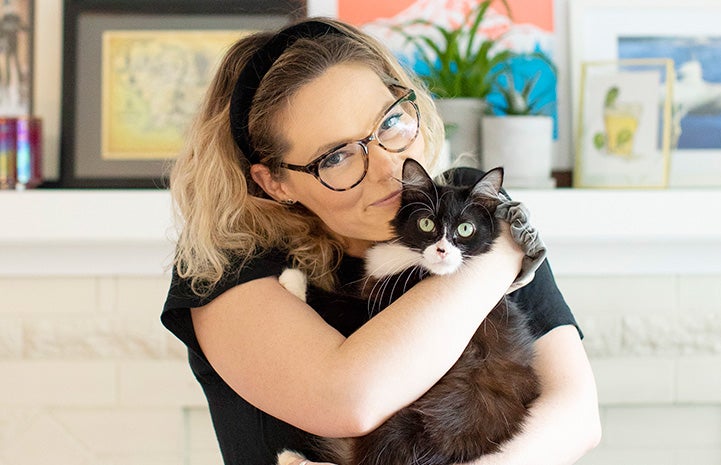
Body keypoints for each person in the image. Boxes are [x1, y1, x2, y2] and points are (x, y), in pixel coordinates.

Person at [162, 17, 601, 465]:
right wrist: (504, 250)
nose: (389, 168)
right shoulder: (226, 258)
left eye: (390, 122)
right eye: (337, 156)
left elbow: (576, 416)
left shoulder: (466, 200)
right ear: (275, 182)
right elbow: (351, 400)